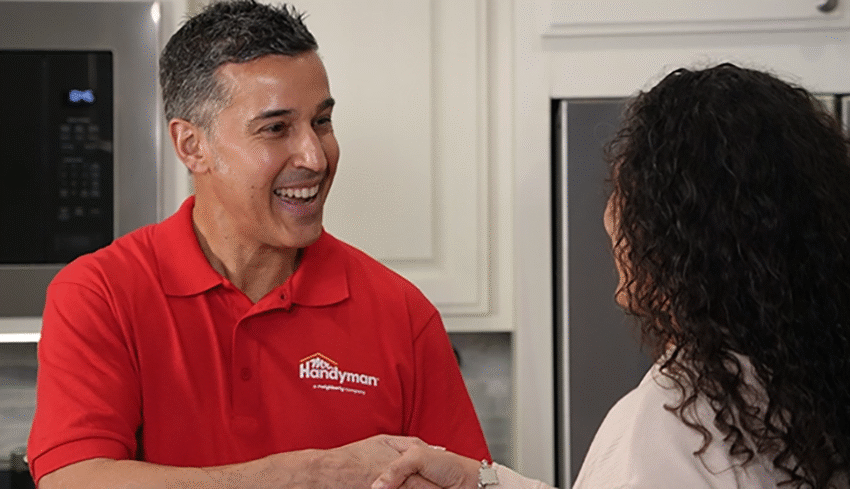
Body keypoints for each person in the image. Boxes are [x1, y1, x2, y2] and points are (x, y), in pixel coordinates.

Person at [26, 1, 490, 487]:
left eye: (322, 122)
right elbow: (72, 480)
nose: (315, 157)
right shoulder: (100, 294)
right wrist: (308, 475)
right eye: (275, 129)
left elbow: (464, 480)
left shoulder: (401, 314)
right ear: (192, 146)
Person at [370, 63, 850, 489]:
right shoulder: (797, 387)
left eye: (622, 193)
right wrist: (482, 482)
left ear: (674, 233)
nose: (608, 217)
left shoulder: (669, 422)